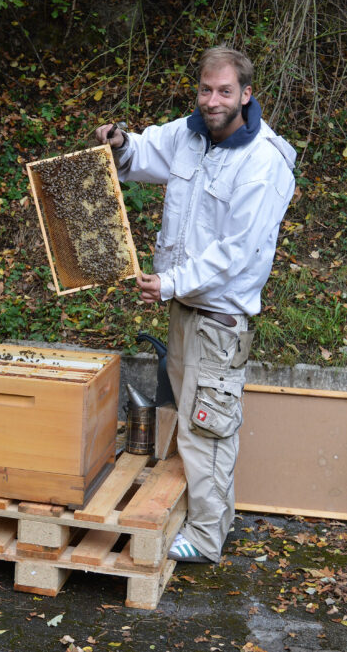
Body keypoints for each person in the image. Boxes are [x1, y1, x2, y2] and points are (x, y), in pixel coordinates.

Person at [96, 46, 296, 564]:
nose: (213, 100)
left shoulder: (263, 162)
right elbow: (143, 153)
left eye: (225, 91)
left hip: (218, 318)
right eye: (206, 89)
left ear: (246, 95)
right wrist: (120, 143)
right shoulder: (189, 136)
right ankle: (212, 521)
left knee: (208, 424)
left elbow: (236, 252)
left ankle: (207, 539)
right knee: (195, 422)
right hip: (185, 310)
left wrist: (168, 282)